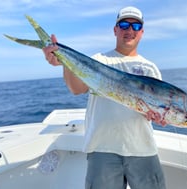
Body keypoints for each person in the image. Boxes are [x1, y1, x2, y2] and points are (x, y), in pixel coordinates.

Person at [43, 6, 166, 189]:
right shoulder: (99, 61)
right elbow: (77, 89)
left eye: (136, 26)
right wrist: (64, 63)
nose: (129, 30)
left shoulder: (150, 68)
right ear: (115, 30)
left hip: (143, 147)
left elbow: (154, 109)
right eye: (124, 24)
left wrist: (157, 116)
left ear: (142, 32)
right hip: (102, 148)